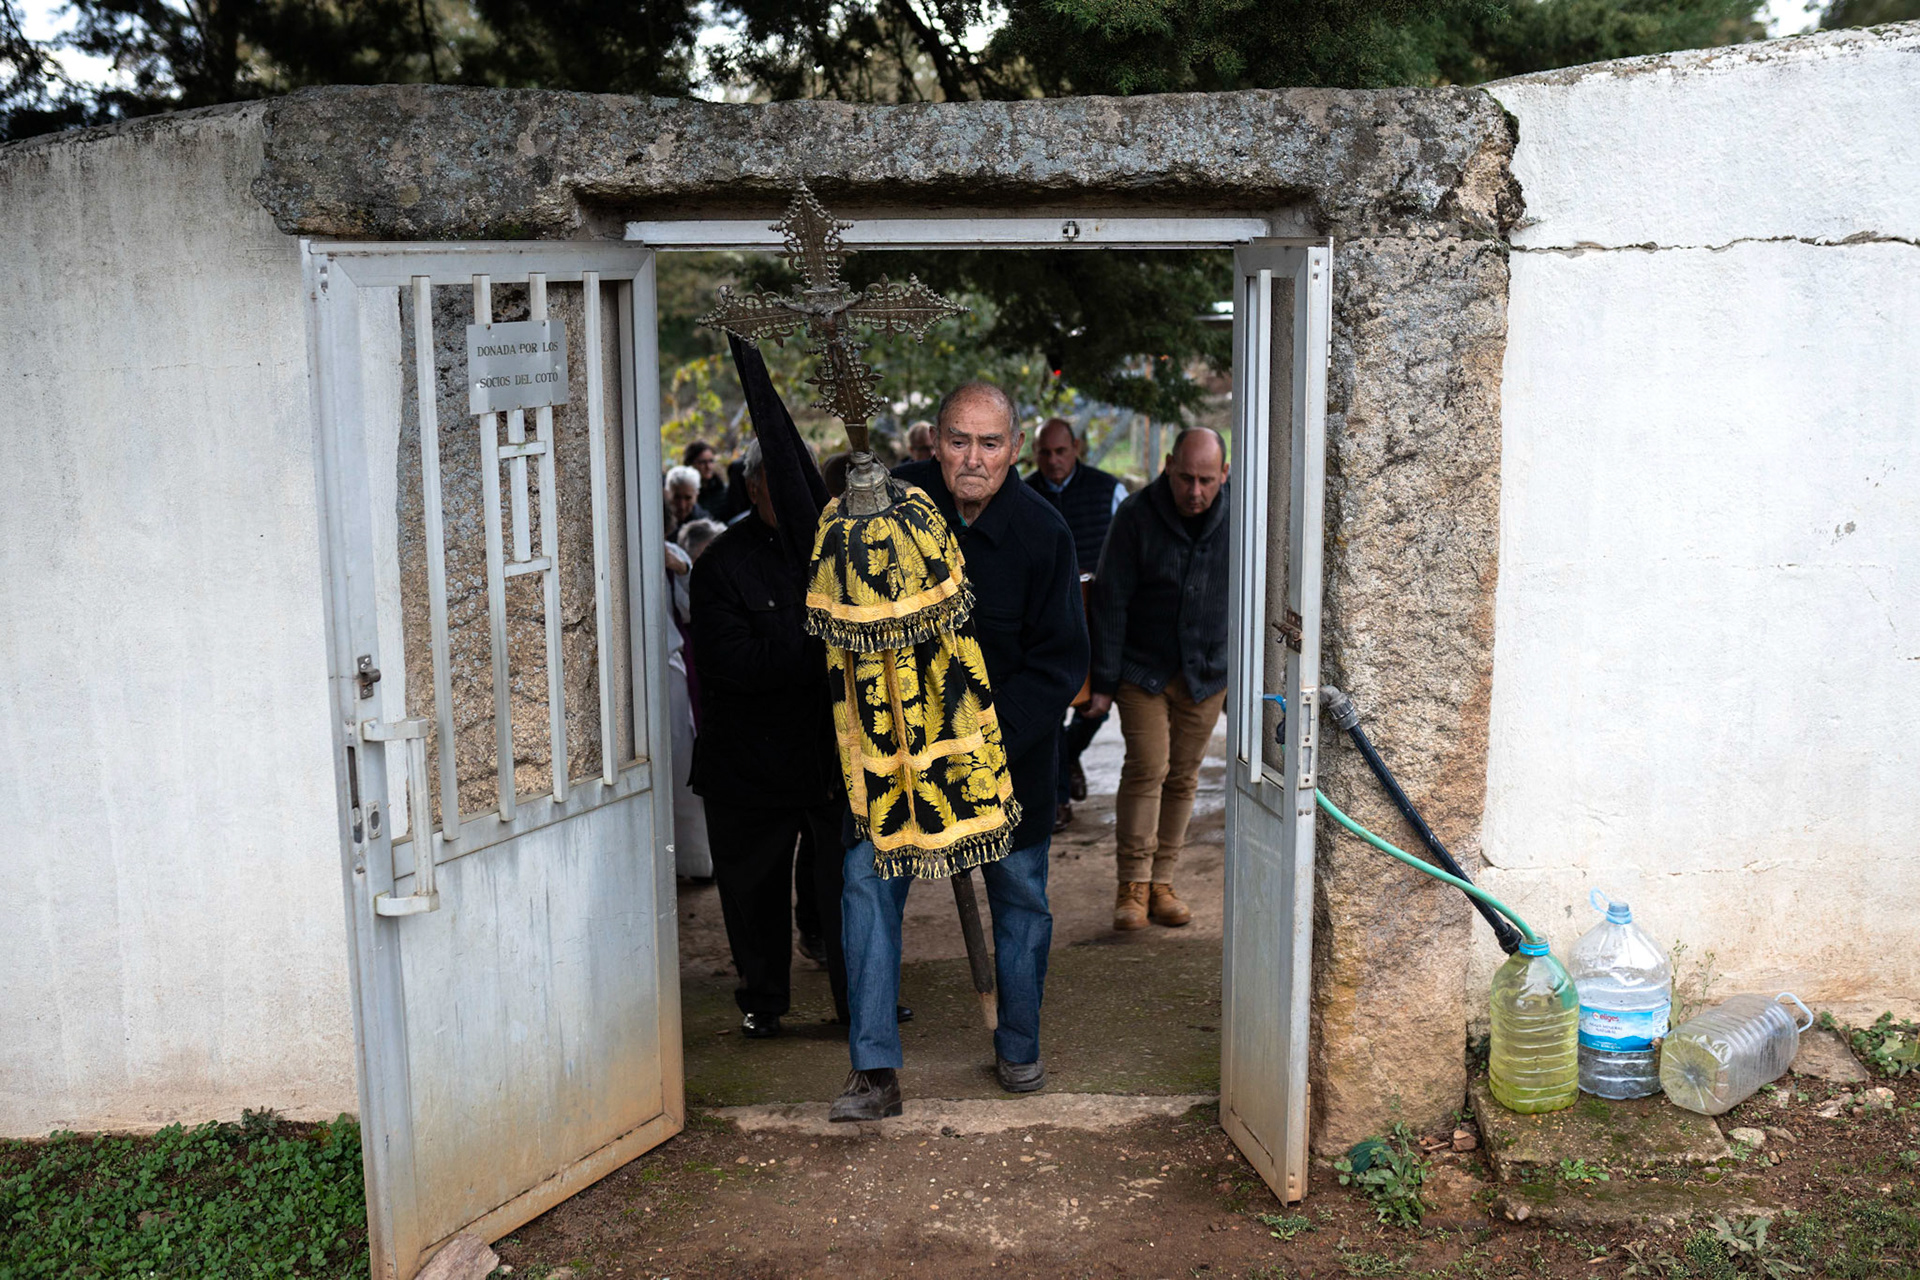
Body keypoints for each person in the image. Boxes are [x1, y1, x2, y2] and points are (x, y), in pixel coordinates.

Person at [831, 382, 1088, 1121]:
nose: (973, 459)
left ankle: (1019, 1043)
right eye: (958, 441)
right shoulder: (892, 508)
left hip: (1004, 759)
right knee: (863, 879)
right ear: (933, 442)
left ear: (1014, 447)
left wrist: (977, 737)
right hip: (902, 760)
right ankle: (874, 1070)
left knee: (1022, 900)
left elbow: (1060, 666)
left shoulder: (1044, 534)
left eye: (990, 443)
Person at [688, 439, 850, 1036]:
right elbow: (732, 664)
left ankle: (861, 1002)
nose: (789, 492)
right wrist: (822, 644)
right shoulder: (721, 564)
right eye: (776, 480)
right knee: (753, 896)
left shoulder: (838, 550)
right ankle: (764, 1003)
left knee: (847, 890)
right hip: (748, 764)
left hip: (828, 760)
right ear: (753, 486)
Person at [1086, 427, 1231, 932]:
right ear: (1168, 465)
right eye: (1186, 477)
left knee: (1184, 776)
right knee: (1149, 766)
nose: (1195, 491)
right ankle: (1132, 884)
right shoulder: (1136, 515)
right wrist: (1103, 682)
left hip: (1209, 671)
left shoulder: (1240, 514)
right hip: (1142, 669)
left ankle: (1162, 882)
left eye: (1206, 481)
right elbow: (1110, 600)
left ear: (1224, 475)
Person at [1025, 417, 1125, 831]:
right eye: (1045, 453)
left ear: (1077, 447)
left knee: (1097, 704)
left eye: (1061, 451)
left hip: (1096, 618)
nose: (1053, 460)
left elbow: (1124, 555)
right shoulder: (1021, 493)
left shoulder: (1108, 490)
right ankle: (1058, 799)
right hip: (1042, 621)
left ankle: (1066, 758)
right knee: (1048, 711)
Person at [683, 439, 729, 516]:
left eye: (711, 461)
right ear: (690, 464)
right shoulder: (684, 491)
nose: (708, 467)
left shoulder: (722, 489)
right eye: (702, 462)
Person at [663, 464, 707, 543]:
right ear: (667, 494)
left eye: (688, 498)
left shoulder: (704, 526)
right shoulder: (657, 520)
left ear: (696, 496)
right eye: (676, 497)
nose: (682, 505)